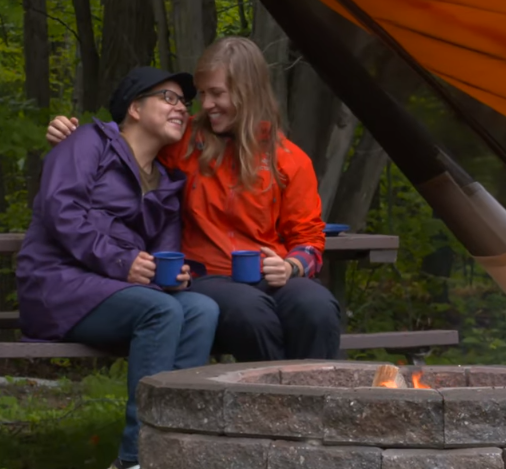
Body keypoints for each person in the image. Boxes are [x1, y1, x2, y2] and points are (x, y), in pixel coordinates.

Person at [45, 36, 341, 364]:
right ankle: (269, 407)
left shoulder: (290, 160)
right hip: (206, 278)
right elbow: (128, 138)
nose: (205, 104)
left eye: (216, 93)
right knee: (251, 312)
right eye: (202, 94)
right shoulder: (184, 140)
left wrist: (292, 265)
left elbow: (310, 239)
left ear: (248, 91)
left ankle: (316, 404)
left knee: (317, 307)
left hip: (269, 276)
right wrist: (72, 136)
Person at [17, 66, 220, 469]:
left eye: (184, 101)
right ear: (134, 108)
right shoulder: (89, 143)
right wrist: (122, 262)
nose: (181, 108)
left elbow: (164, 251)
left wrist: (174, 275)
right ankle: (135, 457)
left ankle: (176, 446)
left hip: (115, 290)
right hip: (57, 283)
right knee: (159, 311)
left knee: (201, 309)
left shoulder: (165, 182)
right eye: (168, 98)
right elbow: (61, 211)